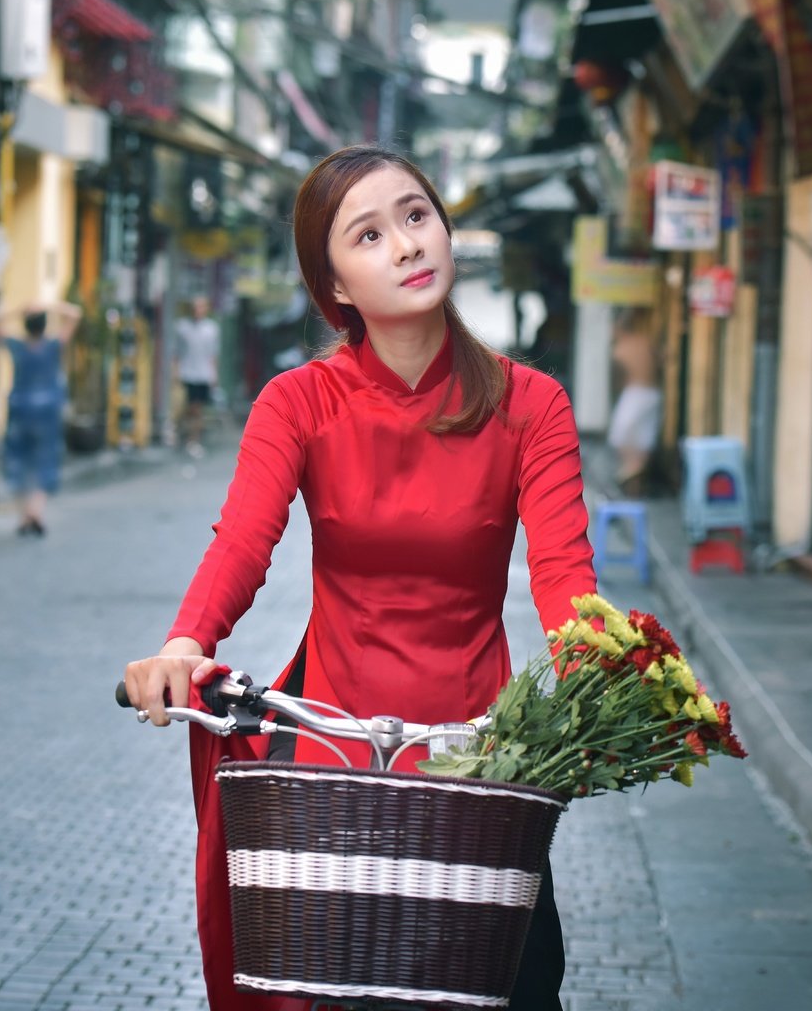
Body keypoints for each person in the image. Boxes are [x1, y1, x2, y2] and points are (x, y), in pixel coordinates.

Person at [123, 145, 597, 1011]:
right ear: (335, 284)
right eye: (369, 235)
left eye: (417, 217)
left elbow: (565, 574)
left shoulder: (533, 404)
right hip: (335, 743)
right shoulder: (298, 402)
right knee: (327, 985)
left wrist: (598, 679)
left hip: (481, 755)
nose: (408, 245)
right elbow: (243, 542)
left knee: (514, 986)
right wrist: (185, 643)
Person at [0, 300, 82, 536]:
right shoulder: (53, 346)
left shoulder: (17, 346)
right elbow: (75, 314)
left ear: (26, 326)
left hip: (20, 411)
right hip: (48, 412)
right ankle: (35, 513)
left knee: (19, 461)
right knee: (44, 462)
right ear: (44, 325)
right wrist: (49, 305)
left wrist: (19, 308)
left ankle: (23, 518)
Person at [606, 309, 662, 496]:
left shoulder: (619, 350)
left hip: (635, 393)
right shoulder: (645, 342)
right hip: (653, 393)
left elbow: (616, 381)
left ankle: (631, 468)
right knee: (644, 437)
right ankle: (635, 476)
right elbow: (661, 362)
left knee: (620, 434)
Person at [173, 294, 220, 456]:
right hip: (187, 373)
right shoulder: (182, 327)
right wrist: (176, 371)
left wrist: (214, 375)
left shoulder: (211, 329)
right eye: (195, 306)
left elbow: (213, 354)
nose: (198, 310)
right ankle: (183, 434)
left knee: (198, 409)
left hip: (203, 374)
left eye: (201, 306)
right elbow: (177, 353)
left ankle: (193, 439)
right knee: (188, 407)